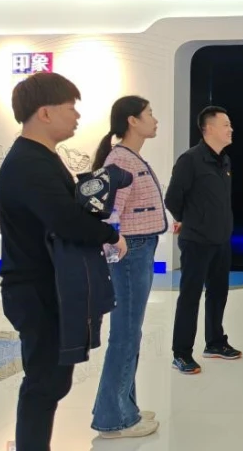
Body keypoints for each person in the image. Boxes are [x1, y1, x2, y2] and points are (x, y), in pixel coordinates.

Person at [0, 73, 127, 451]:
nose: (77, 116)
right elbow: (65, 219)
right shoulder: (29, 163)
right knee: (44, 383)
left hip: (47, 285)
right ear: (45, 113)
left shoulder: (40, 157)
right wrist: (109, 235)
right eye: (71, 108)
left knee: (52, 381)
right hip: (36, 289)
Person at [90, 96, 165, 438]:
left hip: (138, 247)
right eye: (149, 114)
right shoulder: (120, 159)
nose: (155, 119)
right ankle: (113, 418)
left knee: (130, 332)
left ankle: (124, 407)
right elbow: (108, 213)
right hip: (130, 251)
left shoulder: (129, 157)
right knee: (125, 334)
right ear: (132, 120)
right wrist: (115, 245)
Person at [166, 106, 241, 374]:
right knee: (190, 296)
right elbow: (172, 198)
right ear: (208, 128)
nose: (230, 129)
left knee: (218, 293)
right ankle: (181, 353)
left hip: (221, 240)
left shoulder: (224, 161)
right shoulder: (190, 160)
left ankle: (215, 342)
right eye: (225, 124)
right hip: (196, 240)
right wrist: (188, 219)